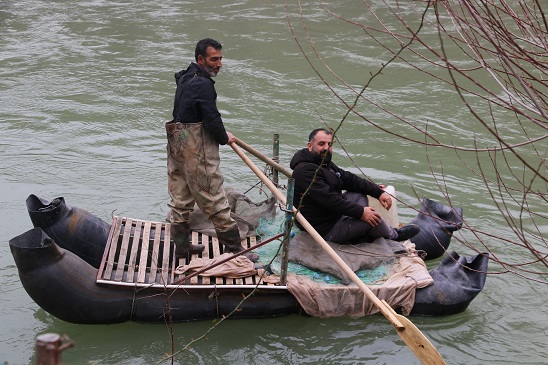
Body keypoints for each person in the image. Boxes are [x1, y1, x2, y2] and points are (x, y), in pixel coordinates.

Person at [165, 38, 258, 262]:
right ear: (201, 59)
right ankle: (234, 249)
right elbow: (212, 118)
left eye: (220, 59)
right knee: (215, 197)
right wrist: (224, 137)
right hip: (195, 149)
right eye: (214, 59)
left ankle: (182, 247)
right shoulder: (203, 84)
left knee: (181, 199)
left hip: (176, 144)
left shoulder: (186, 77)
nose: (219, 64)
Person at [290, 128, 420, 245]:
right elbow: (329, 200)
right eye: (321, 144)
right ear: (310, 146)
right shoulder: (305, 171)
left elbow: (349, 179)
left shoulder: (322, 162)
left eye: (329, 144)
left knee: (358, 194)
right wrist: (361, 212)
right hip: (323, 229)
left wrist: (377, 192)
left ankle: (358, 233)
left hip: (331, 215)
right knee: (372, 219)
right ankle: (394, 236)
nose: (326, 148)